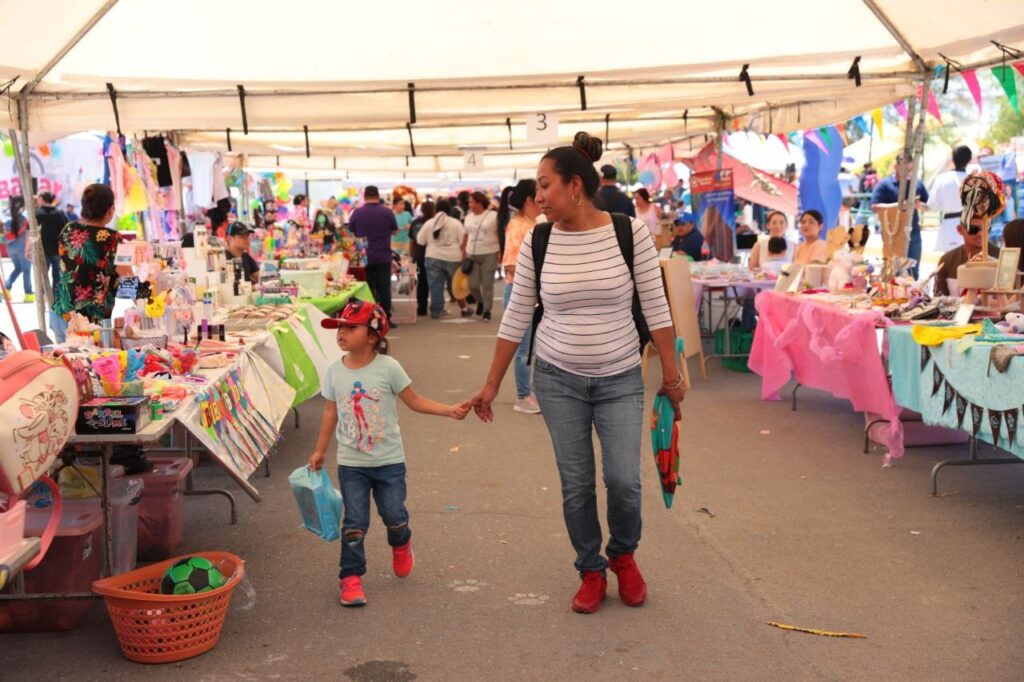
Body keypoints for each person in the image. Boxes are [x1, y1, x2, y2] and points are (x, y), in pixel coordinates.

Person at [471, 131, 685, 615]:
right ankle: (590, 569)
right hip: (558, 377)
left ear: (574, 187)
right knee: (576, 483)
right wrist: (491, 384)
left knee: (624, 480)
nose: (537, 195)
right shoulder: (538, 242)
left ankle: (623, 557)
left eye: (545, 185)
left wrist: (672, 376)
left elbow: (657, 307)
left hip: (620, 376)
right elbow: (516, 314)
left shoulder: (629, 233)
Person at [308, 300, 470, 606]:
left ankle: (401, 542)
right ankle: (350, 578)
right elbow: (330, 413)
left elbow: (414, 400)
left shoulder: (389, 368)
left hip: (389, 462)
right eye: (339, 327)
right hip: (351, 463)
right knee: (354, 523)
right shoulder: (333, 371)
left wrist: (448, 410)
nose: (341, 332)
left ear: (372, 336)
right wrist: (319, 451)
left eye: (350, 327)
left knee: (394, 516)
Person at [53, 184, 132, 324]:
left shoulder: (68, 229)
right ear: (110, 210)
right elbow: (129, 285)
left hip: (61, 316)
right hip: (89, 325)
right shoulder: (113, 239)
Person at [497, 179, 541, 414]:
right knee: (524, 349)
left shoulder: (529, 223)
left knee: (531, 348)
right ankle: (523, 396)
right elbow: (511, 264)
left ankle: (530, 393)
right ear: (529, 200)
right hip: (520, 292)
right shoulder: (519, 226)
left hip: (529, 292)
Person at [871, 154, 929, 278]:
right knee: (893, 271)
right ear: (896, 166)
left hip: (913, 232)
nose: (907, 173)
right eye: (904, 169)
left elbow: (928, 206)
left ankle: (913, 296)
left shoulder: (917, 184)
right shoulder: (885, 185)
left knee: (913, 271)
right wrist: (899, 205)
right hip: (893, 233)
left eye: (910, 169)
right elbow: (875, 207)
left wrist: (918, 205)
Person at [349, 186, 399, 321]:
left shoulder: (357, 213)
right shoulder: (387, 212)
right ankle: (386, 318)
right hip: (383, 255)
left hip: (364, 257)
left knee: (367, 288)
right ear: (378, 196)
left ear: (364, 197)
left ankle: (367, 317)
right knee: (384, 288)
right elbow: (395, 231)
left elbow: (351, 231)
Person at [416, 198, 467, 319]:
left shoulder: (429, 223)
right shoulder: (455, 223)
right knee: (455, 285)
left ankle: (436, 311)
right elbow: (462, 242)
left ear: (436, 209)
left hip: (432, 257)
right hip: (453, 258)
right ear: (450, 210)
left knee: (435, 286)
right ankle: (464, 308)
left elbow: (420, 241)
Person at [934, 217, 1001, 297]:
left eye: (986, 228)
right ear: (960, 230)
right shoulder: (947, 260)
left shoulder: (1002, 258)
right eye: (973, 229)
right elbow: (939, 299)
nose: (980, 233)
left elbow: (1011, 299)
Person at [36, 192, 71, 340]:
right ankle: (56, 300)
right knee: (58, 276)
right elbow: (67, 229)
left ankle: (44, 298)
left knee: (43, 276)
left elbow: (29, 231)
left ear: (42, 199)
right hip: (57, 249)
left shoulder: (36, 213)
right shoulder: (60, 212)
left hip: (42, 249)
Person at [927, 145, 973, 253]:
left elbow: (933, 207)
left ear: (953, 159)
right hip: (969, 226)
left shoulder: (941, 179)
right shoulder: (973, 180)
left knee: (949, 263)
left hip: (949, 227)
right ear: (969, 160)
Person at [463, 191, 500, 321]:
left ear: (479, 202)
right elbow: (466, 235)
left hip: (489, 253)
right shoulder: (468, 217)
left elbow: (501, 234)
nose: (469, 204)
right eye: (469, 202)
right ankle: (480, 301)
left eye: (472, 201)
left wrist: (500, 253)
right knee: (472, 285)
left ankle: (487, 310)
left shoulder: (493, 216)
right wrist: (463, 253)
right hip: (472, 254)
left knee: (487, 285)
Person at [4, 196, 33, 303]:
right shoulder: (25, 217)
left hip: (10, 248)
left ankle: (7, 286)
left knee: (17, 268)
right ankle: (29, 293)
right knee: (26, 271)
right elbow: (29, 235)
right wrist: (28, 249)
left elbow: (5, 236)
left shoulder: (8, 219)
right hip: (23, 248)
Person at [407, 201, 434, 317]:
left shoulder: (416, 222)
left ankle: (421, 308)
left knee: (422, 282)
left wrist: (410, 255)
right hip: (433, 254)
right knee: (435, 283)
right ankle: (436, 307)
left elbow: (412, 240)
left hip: (419, 254)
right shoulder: (435, 222)